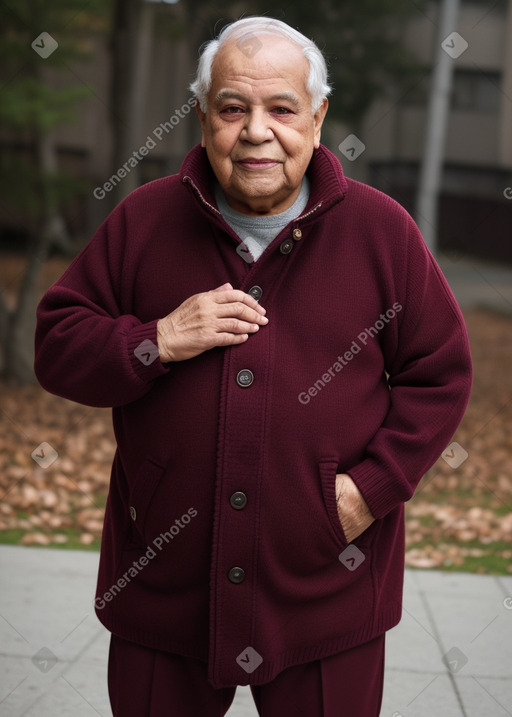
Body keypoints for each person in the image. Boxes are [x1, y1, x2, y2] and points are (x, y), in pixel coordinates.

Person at [34, 16, 472, 717]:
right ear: (203, 116)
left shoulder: (382, 232)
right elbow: (58, 345)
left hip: (328, 592)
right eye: (233, 108)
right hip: (162, 588)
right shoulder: (144, 220)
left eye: (281, 108)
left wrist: (370, 489)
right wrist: (158, 339)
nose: (256, 130)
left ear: (319, 116)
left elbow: (440, 373)